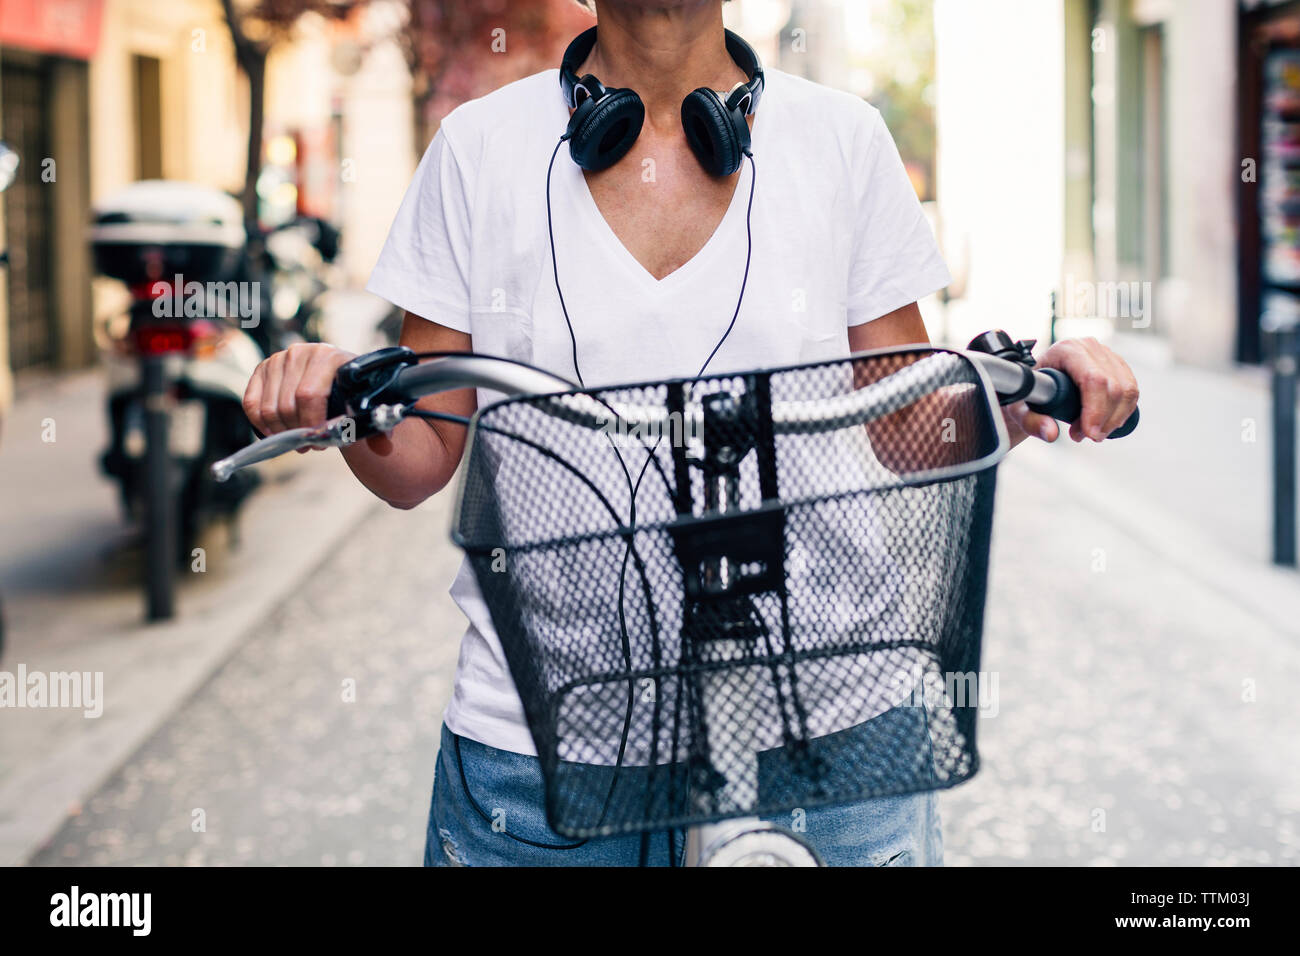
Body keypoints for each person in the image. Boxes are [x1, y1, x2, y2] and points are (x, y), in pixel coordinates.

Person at [242, 0, 1139, 866]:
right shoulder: (477, 153)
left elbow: (901, 424)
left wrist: (1016, 401)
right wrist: (339, 406)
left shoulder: (844, 141)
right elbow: (421, 458)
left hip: (829, 739)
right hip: (544, 751)